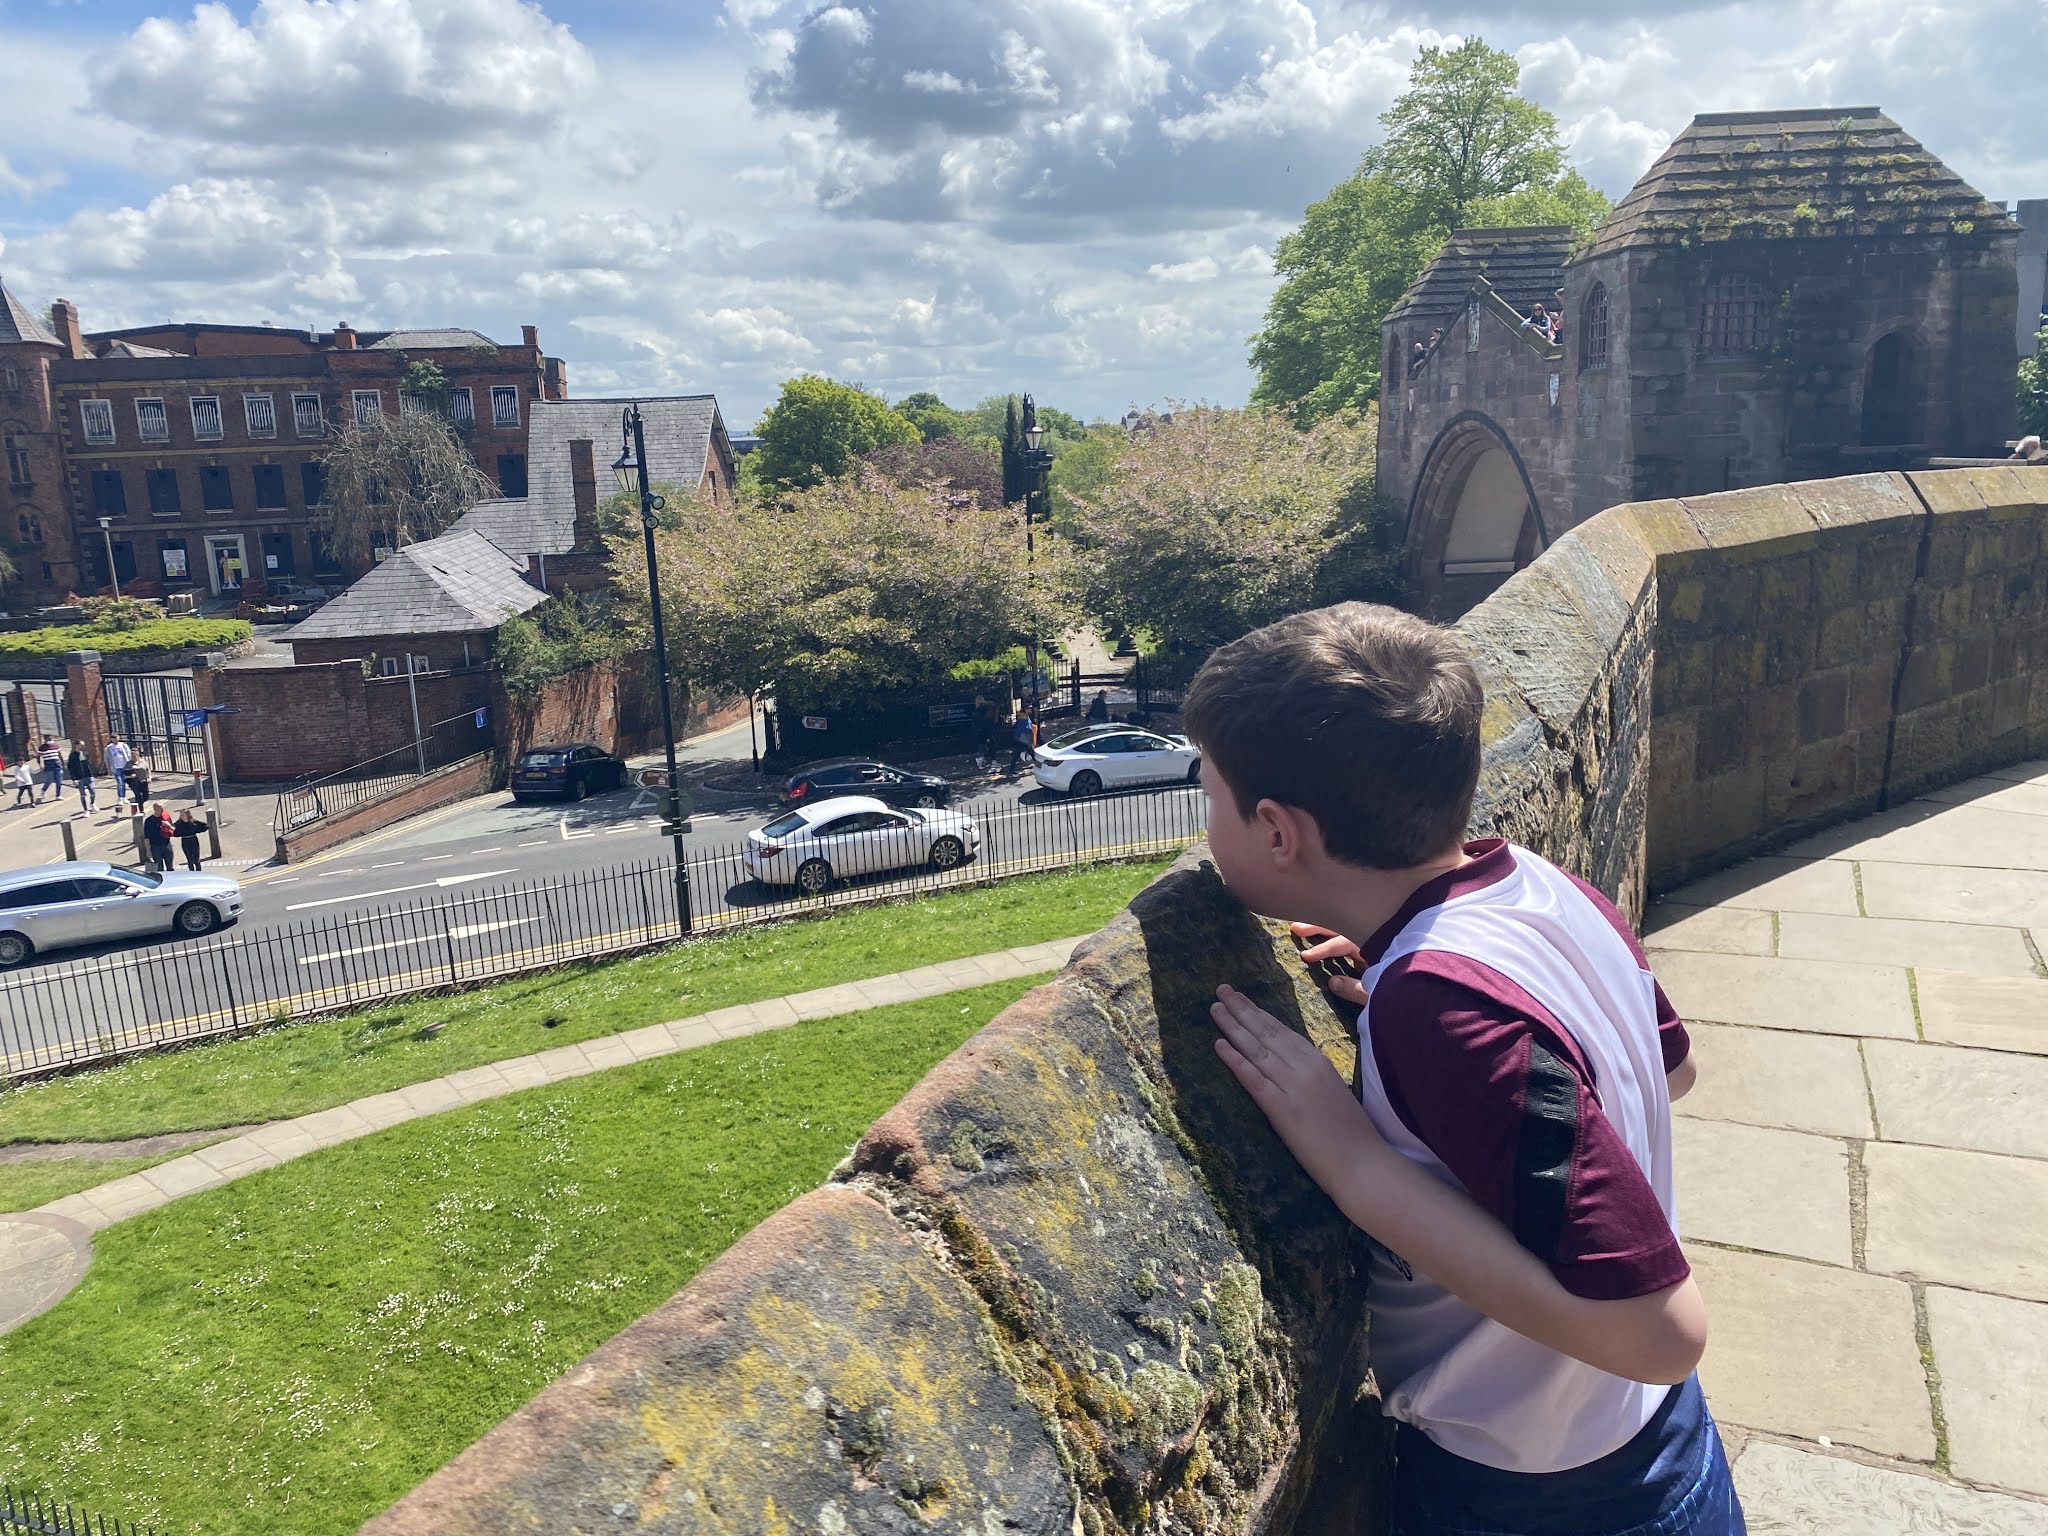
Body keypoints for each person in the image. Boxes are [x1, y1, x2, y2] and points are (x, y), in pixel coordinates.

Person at [1183, 602, 1739, 1536]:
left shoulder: (1441, 1004)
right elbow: (1668, 1070)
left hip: (1545, 1493)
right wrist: (1417, 1026)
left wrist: (1358, 1164)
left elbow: (1661, 1334)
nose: (1204, 821)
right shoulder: (1541, 885)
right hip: (1657, 1452)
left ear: (1278, 831)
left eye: (1208, 796)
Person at [64, 741, 96, 817]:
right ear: (77, 745)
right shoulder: (72, 756)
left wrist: (91, 774)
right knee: (83, 795)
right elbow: (71, 768)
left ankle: (92, 803)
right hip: (79, 777)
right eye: (81, 745)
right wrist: (74, 779)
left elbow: (88, 764)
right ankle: (85, 810)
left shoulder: (85, 753)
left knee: (93, 792)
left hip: (88, 775)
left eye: (83, 745)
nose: (83, 746)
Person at [143, 802, 176, 872]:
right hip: (155, 846)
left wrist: (168, 825)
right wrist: (148, 850)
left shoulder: (166, 817)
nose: (163, 810)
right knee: (159, 868)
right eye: (161, 809)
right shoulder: (149, 821)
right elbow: (147, 837)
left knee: (170, 867)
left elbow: (173, 829)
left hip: (167, 844)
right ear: (155, 809)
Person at [105, 735, 133, 808]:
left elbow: (129, 755)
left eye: (116, 738)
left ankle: (124, 797)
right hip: (116, 768)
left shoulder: (123, 745)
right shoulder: (109, 748)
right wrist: (109, 769)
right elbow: (107, 759)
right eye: (113, 738)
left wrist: (130, 766)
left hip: (124, 767)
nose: (115, 740)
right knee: (119, 783)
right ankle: (120, 797)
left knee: (124, 783)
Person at [36, 738, 64, 802]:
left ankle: (58, 795)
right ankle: (43, 790)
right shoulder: (42, 748)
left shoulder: (56, 746)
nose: (49, 741)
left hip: (58, 766)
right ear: (45, 740)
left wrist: (62, 763)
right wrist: (40, 765)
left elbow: (60, 755)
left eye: (50, 739)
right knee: (50, 780)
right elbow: (38, 757)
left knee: (59, 781)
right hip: (49, 767)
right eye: (48, 739)